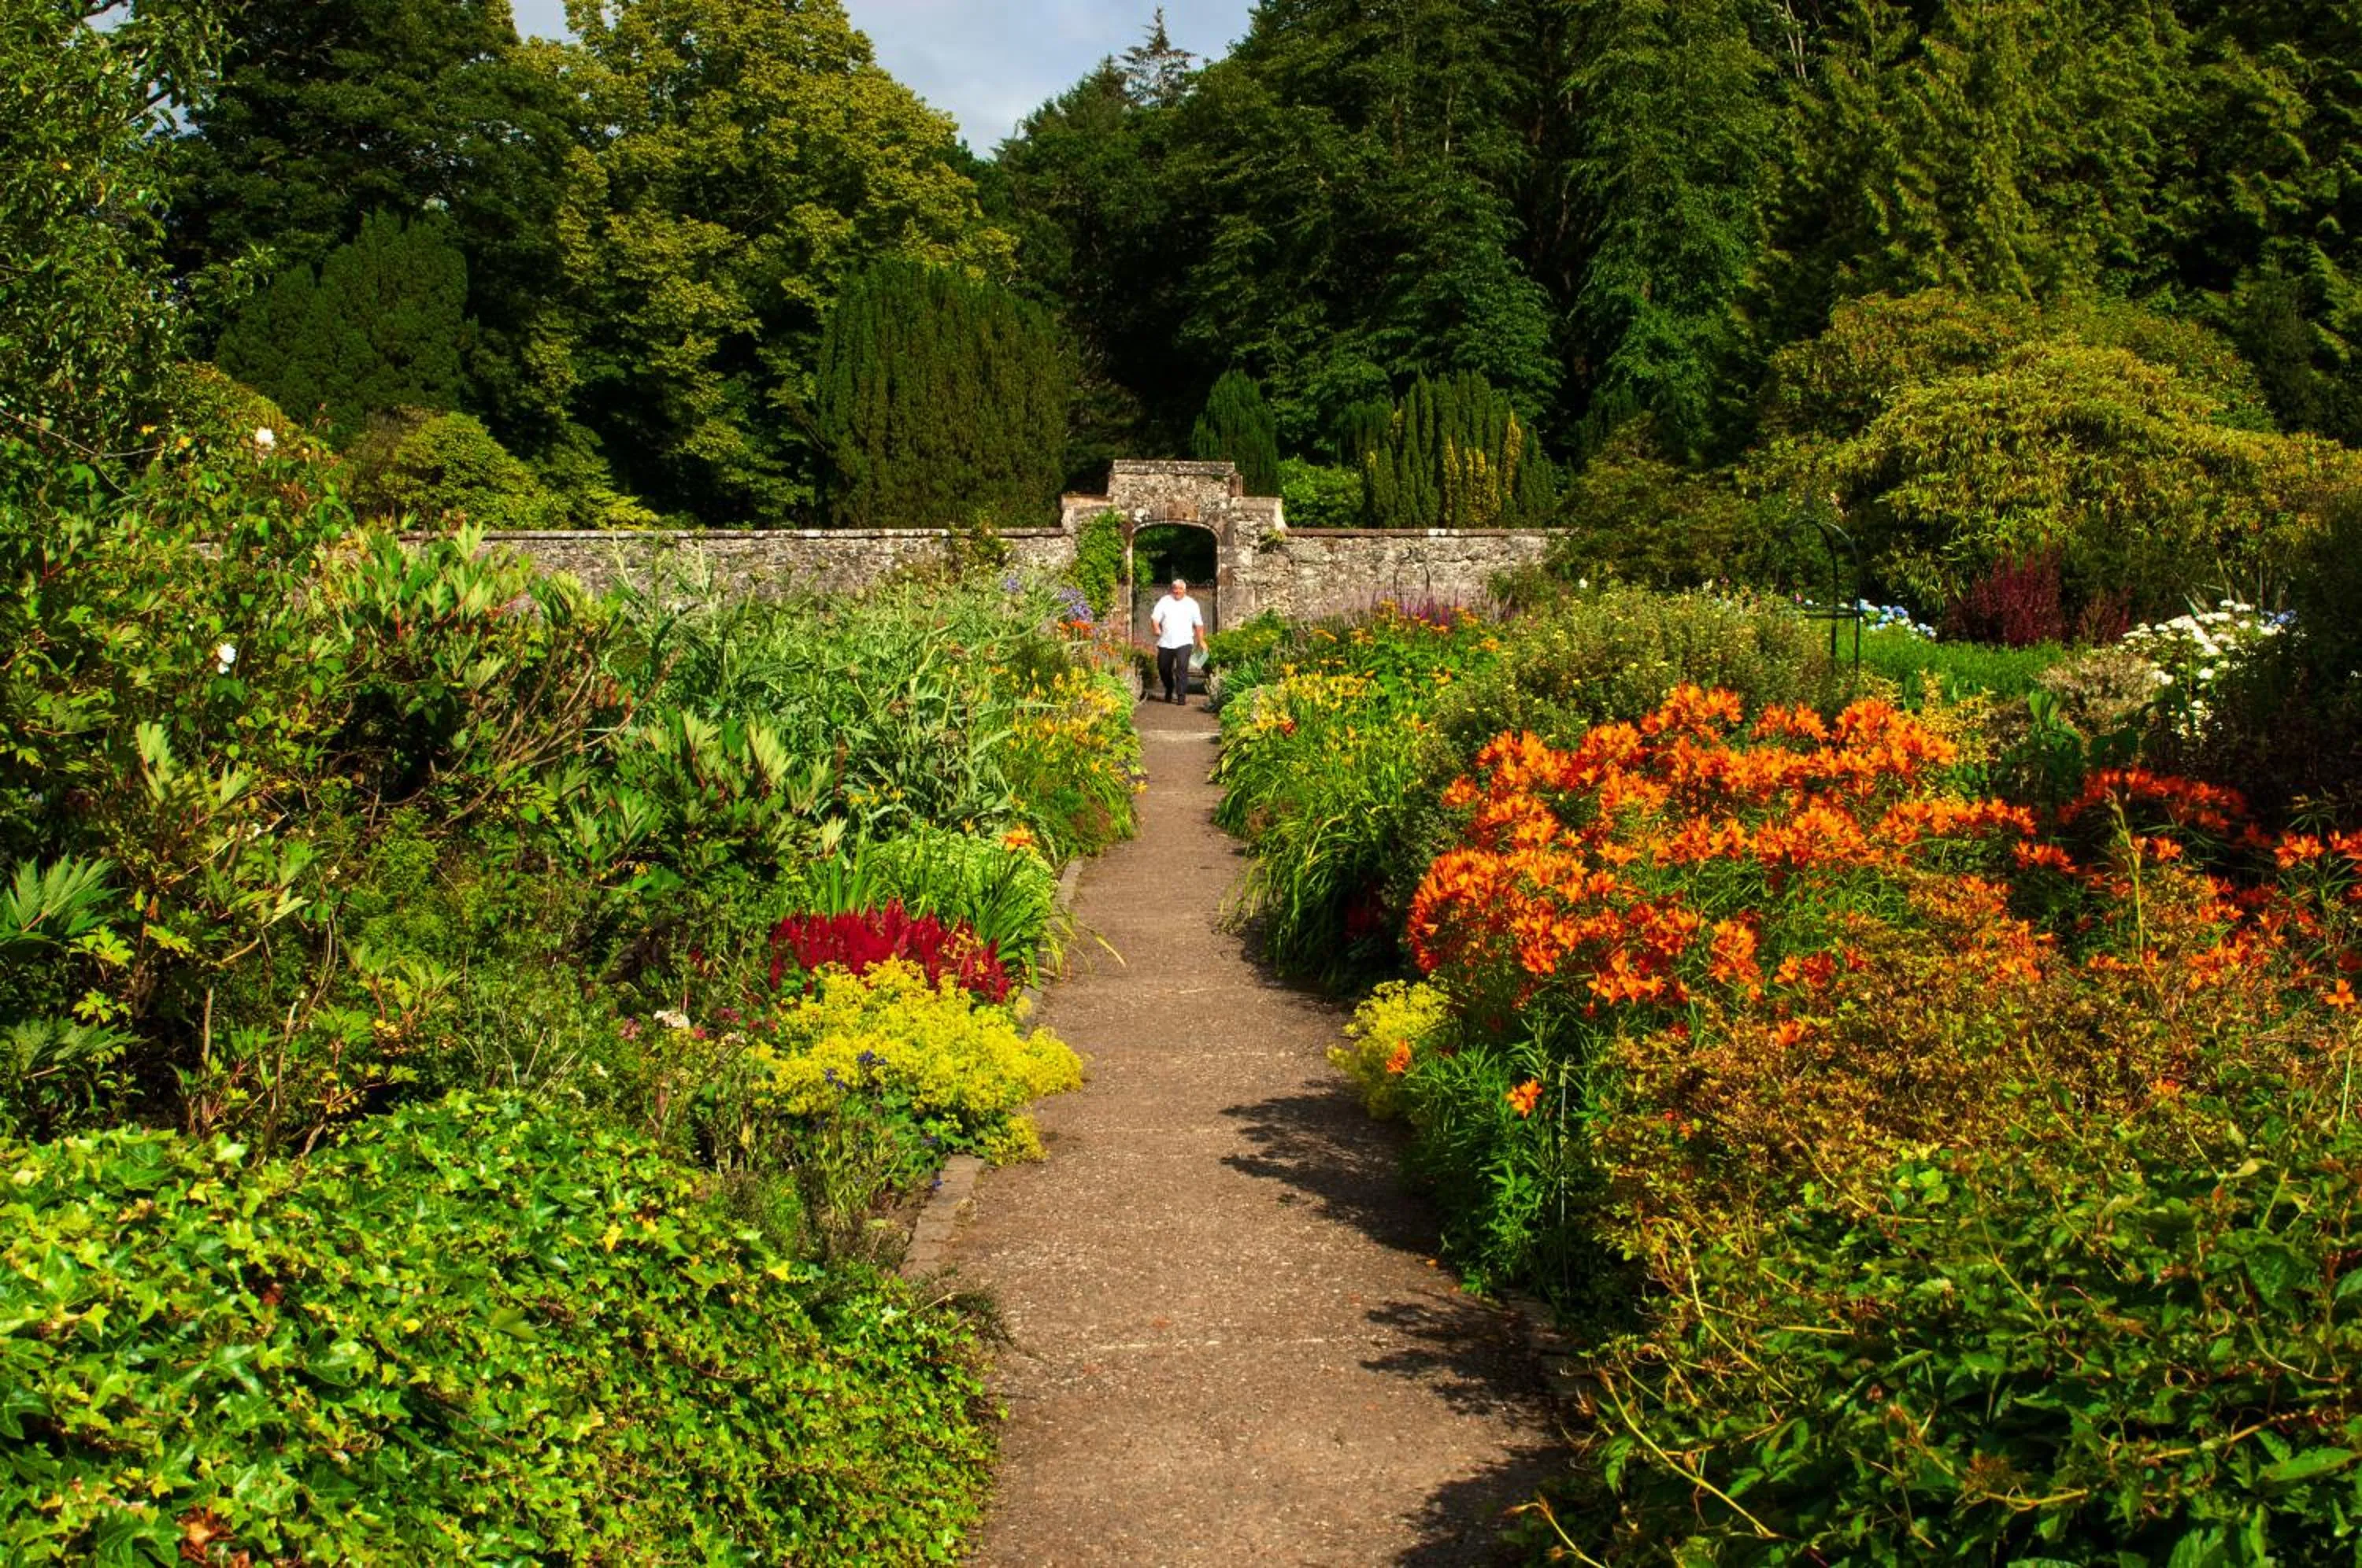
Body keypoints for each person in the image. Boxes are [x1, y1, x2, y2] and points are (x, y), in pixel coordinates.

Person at [1150, 576, 1206, 706]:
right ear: (1172, 589)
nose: (1177, 591)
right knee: (1163, 668)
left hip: (1185, 641)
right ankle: (1169, 688)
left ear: (1184, 590)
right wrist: (1156, 628)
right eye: (1175, 589)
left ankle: (1181, 696)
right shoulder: (1164, 601)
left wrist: (1201, 640)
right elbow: (1155, 617)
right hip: (1165, 642)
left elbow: (1199, 624)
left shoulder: (1192, 604)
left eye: (1180, 589)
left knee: (1181, 668)